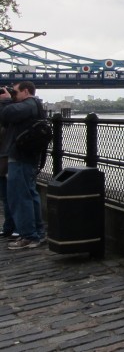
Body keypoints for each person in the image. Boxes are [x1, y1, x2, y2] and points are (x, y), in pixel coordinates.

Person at [0, 81, 47, 249]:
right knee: (29, 194)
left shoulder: (28, 105)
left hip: (21, 157)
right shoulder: (32, 105)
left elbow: (5, 116)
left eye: (15, 92)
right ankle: (37, 233)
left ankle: (29, 236)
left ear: (26, 91)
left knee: (19, 196)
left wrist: (5, 101)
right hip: (26, 157)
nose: (13, 95)